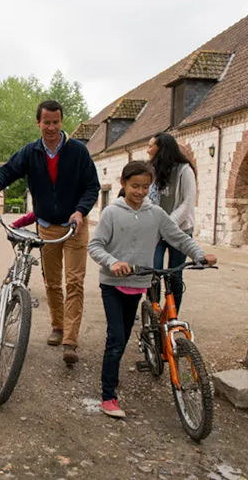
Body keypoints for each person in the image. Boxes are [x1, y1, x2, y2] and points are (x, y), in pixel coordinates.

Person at [88, 160, 216, 418]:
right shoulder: (111, 213)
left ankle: (112, 374)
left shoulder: (156, 214)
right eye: (135, 186)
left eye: (145, 187)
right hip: (113, 284)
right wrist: (113, 263)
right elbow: (96, 246)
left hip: (139, 283)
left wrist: (199, 255)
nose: (140, 191)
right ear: (123, 184)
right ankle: (108, 395)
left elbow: (179, 238)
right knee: (115, 338)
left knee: (122, 337)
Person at [0, 100, 100, 365]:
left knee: (74, 282)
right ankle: (57, 326)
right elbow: (8, 170)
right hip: (47, 227)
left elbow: (92, 187)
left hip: (75, 227)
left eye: (56, 122)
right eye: (46, 122)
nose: (51, 127)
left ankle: (70, 340)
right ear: (38, 123)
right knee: (52, 282)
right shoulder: (31, 152)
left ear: (62, 122)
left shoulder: (78, 152)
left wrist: (80, 211)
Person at [147, 132, 197, 314]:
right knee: (154, 270)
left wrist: (168, 224)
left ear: (162, 148)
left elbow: (188, 202)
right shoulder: (153, 170)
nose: (148, 150)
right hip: (157, 232)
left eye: (151, 145)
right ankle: (153, 311)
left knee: (175, 275)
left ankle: (172, 315)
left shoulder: (185, 171)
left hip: (180, 231)